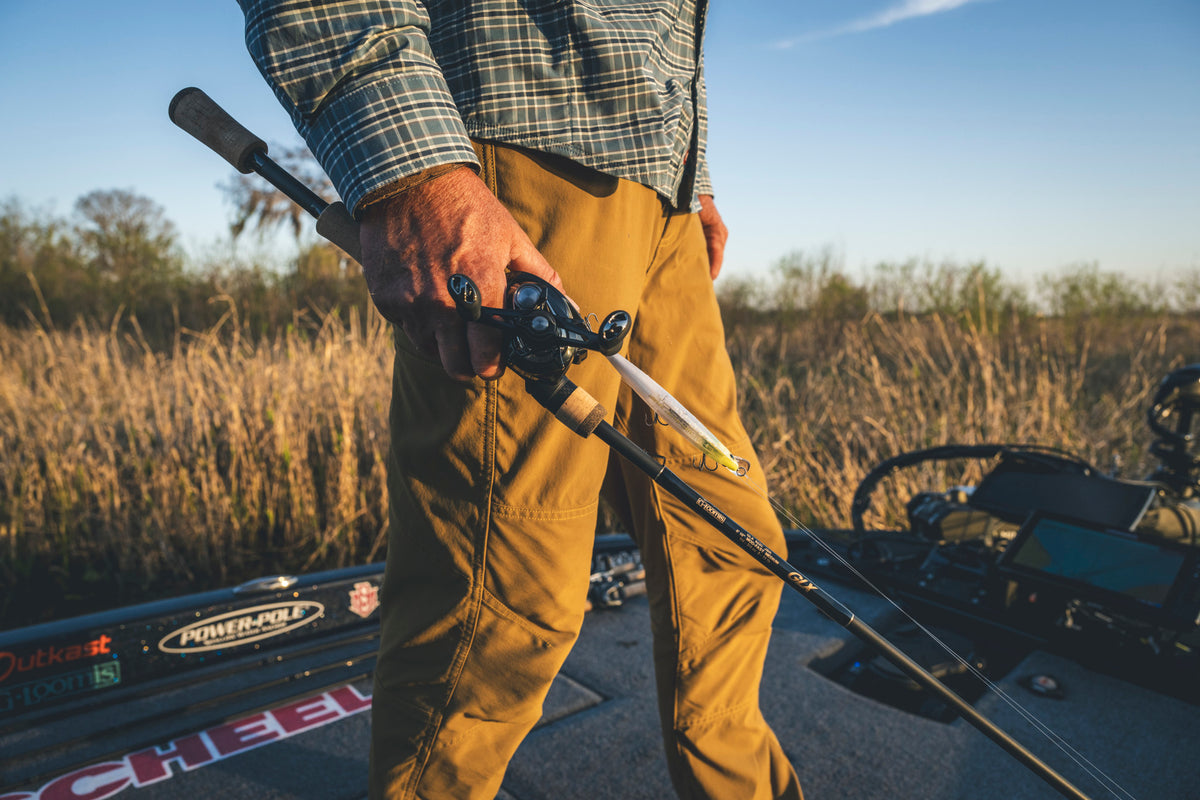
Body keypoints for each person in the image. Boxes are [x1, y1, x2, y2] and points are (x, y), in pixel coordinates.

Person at [240, 2, 804, 798]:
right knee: (502, 599)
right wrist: (412, 163)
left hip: (661, 189)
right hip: (514, 156)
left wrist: (691, 173)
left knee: (728, 539)